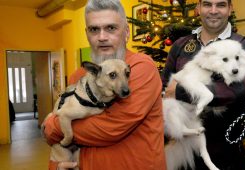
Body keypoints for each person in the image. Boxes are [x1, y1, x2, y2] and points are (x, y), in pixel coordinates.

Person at [42, 0, 166, 169]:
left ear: (127, 32)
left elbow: (110, 128)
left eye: (111, 28)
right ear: (87, 34)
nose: (102, 37)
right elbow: (63, 141)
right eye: (94, 29)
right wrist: (56, 166)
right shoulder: (78, 76)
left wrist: (52, 127)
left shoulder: (140, 67)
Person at [161, 0, 245, 169]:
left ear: (230, 9)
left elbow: (235, 90)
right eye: (207, 4)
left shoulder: (241, 44)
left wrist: (179, 92)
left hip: (225, 150)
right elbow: (164, 88)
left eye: (220, 5)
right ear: (198, 8)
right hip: (184, 151)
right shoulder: (180, 45)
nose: (213, 10)